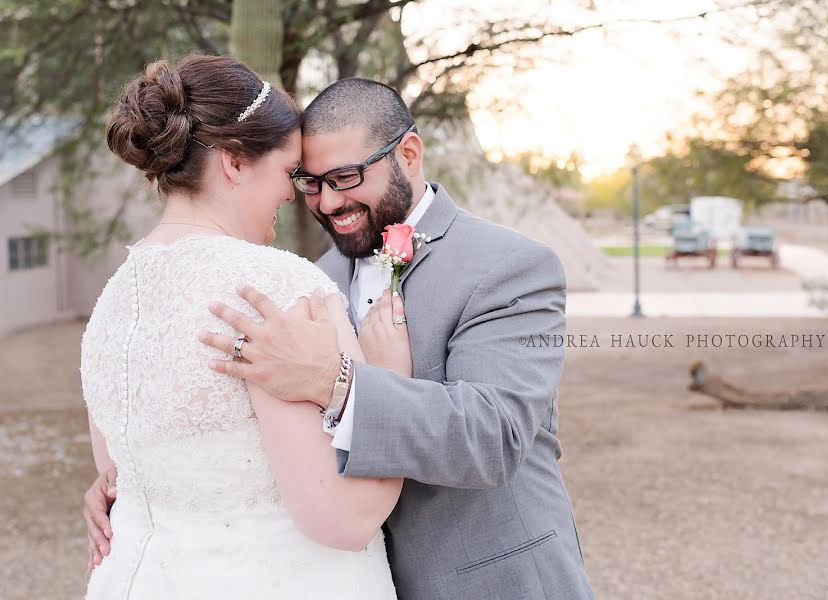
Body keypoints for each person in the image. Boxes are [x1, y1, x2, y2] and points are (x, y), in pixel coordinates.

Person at [85, 76, 595, 599]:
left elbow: (496, 438)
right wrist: (141, 481)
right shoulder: (308, 277)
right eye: (309, 181)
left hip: (486, 580)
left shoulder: (509, 266)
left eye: (346, 177)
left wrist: (341, 382)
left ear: (410, 154)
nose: (328, 202)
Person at [79, 55, 405, 599]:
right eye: (287, 173)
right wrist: (391, 381)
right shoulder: (275, 288)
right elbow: (344, 520)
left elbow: (117, 476)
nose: (292, 194)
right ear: (234, 162)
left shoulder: (114, 299)